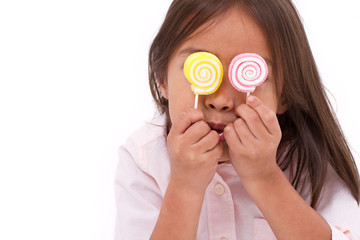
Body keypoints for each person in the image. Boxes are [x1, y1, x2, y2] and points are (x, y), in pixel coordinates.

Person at [115, 0, 360, 239]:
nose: (220, 100)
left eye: (248, 76)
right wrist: (184, 188)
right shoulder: (144, 160)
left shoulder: (310, 157)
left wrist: (265, 177)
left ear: (285, 92)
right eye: (202, 69)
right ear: (162, 79)